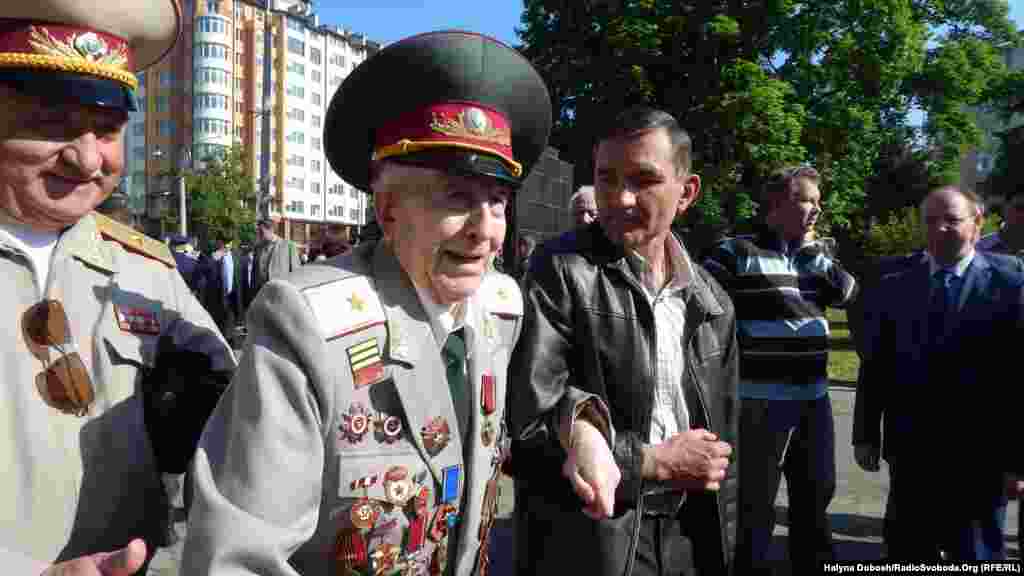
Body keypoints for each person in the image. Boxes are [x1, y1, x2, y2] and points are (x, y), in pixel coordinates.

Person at [182, 30, 553, 576]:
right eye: (456, 198)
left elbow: (529, 412)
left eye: (496, 202)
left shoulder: (500, 308)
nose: (483, 231)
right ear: (388, 210)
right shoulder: (306, 322)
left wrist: (581, 426)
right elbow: (235, 560)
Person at [0, 1, 237, 574]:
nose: (86, 159)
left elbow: (238, 443)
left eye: (107, 131)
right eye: (54, 124)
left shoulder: (149, 270)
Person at [509, 106, 738, 576]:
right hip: (593, 541)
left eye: (643, 179)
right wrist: (651, 462)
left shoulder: (713, 303)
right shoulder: (559, 271)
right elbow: (529, 423)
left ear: (686, 192)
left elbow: (727, 447)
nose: (619, 197)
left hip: (690, 536)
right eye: (606, 177)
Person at [853, 186, 1024, 561]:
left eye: (952, 220)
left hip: (983, 456)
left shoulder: (1013, 283)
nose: (940, 229)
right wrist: (865, 434)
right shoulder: (892, 281)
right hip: (912, 450)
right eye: (931, 221)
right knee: (907, 552)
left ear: (977, 224)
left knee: (975, 554)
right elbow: (876, 362)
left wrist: (1018, 460)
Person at [703, 165, 856, 574]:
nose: (816, 210)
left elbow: (848, 294)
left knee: (816, 497)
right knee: (754, 504)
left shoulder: (815, 258)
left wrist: (817, 254)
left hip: (814, 402)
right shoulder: (735, 252)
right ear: (776, 203)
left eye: (818, 203)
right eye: (807, 200)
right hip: (758, 403)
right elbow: (703, 319)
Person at [251, 216, 301, 296]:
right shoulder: (258, 248)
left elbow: (296, 273)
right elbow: (254, 273)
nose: (259, 234)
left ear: (271, 230)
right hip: (261, 294)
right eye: (258, 231)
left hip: (281, 294)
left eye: (261, 231)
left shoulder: (288, 246)